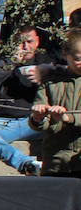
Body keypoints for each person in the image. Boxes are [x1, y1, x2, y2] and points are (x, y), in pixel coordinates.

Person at [0, 26, 60, 175]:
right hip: (4, 121)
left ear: (37, 42)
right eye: (21, 42)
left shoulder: (46, 61)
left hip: (36, 121)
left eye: (29, 41)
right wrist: (11, 62)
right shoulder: (4, 60)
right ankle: (25, 163)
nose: (25, 47)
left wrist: (44, 75)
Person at [29, 29, 81, 176]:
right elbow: (41, 125)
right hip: (55, 162)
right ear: (66, 55)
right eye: (78, 59)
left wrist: (67, 118)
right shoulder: (50, 83)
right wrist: (38, 118)